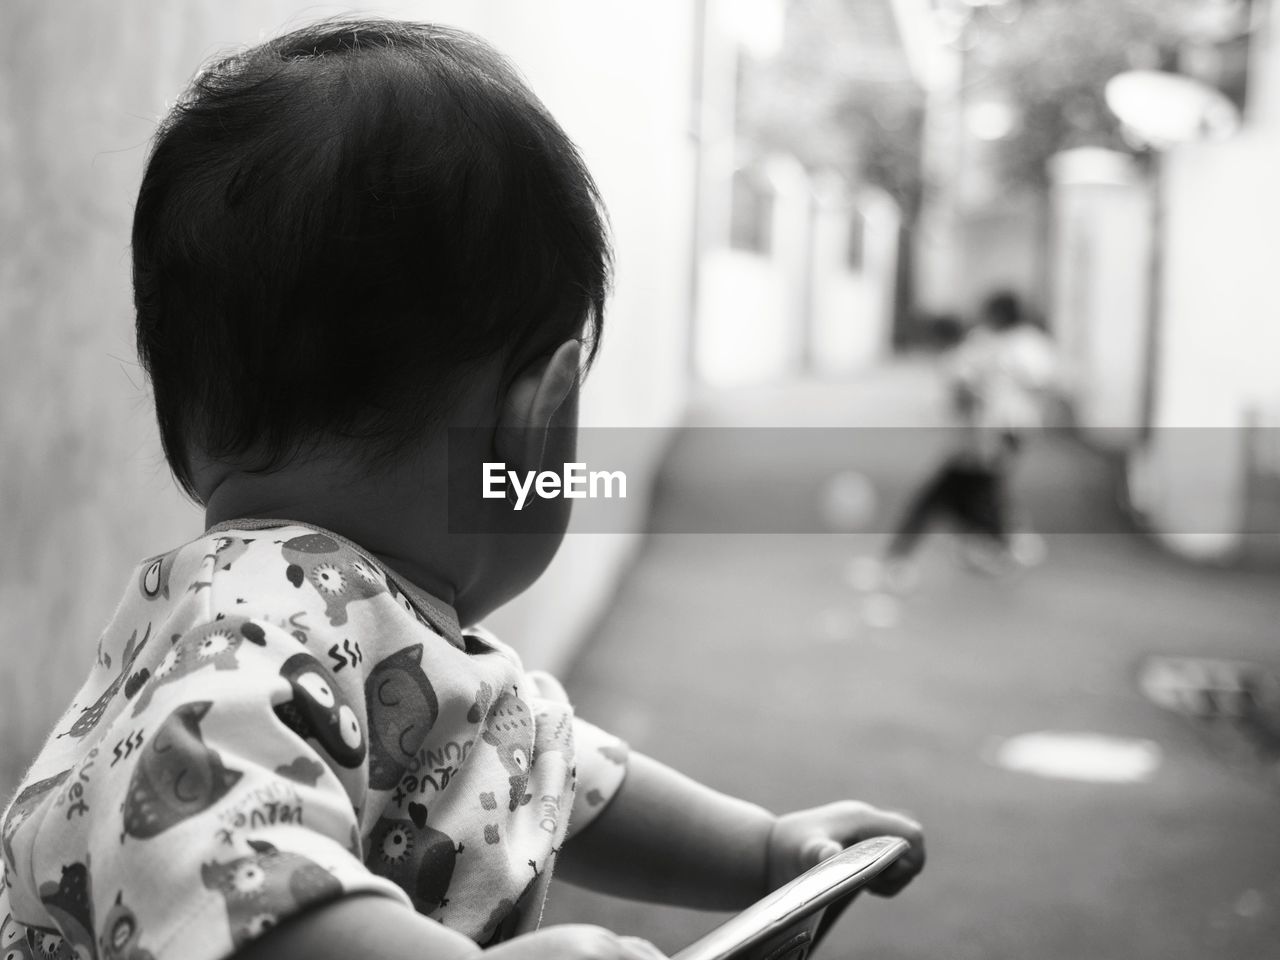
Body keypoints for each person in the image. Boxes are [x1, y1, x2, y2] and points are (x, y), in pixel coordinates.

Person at [0, 20, 924, 960]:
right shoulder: (245, 640)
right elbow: (240, 881)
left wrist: (766, 853)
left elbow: (557, 771)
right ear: (539, 419)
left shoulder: (379, 633)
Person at [882, 291, 1058, 581]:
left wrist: (984, 436)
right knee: (967, 492)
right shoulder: (986, 346)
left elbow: (985, 396)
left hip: (995, 433)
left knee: (950, 493)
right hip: (993, 434)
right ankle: (994, 542)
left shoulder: (1005, 348)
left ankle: (1002, 541)